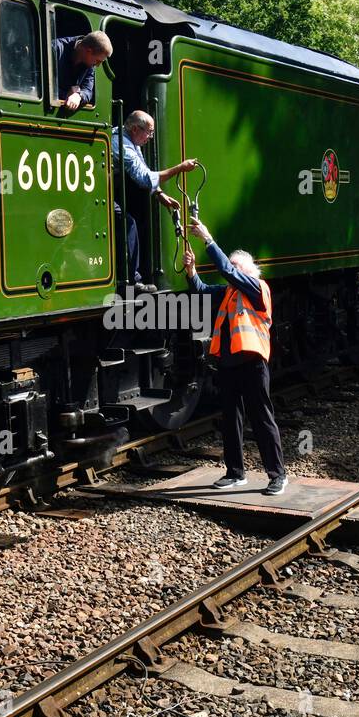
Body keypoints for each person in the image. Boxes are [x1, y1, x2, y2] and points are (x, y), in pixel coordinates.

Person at [184, 219, 288, 496]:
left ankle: (278, 475)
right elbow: (203, 291)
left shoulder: (257, 287)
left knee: (262, 419)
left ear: (248, 270)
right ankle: (235, 473)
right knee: (231, 419)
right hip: (229, 364)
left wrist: (207, 237)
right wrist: (192, 271)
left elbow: (227, 271)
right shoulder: (229, 293)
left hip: (253, 363)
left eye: (236, 267)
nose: (231, 272)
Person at [112, 110, 197, 294]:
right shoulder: (121, 144)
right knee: (127, 224)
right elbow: (144, 178)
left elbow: (143, 169)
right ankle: (129, 282)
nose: (150, 137)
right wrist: (180, 168)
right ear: (135, 129)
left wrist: (159, 194)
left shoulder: (131, 141)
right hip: (99, 194)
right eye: (148, 132)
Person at [50, 31, 112, 113]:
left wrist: (78, 95)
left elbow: (88, 90)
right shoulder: (55, 50)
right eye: (98, 61)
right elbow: (44, 86)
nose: (97, 65)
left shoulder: (89, 64)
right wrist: (67, 94)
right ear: (88, 51)